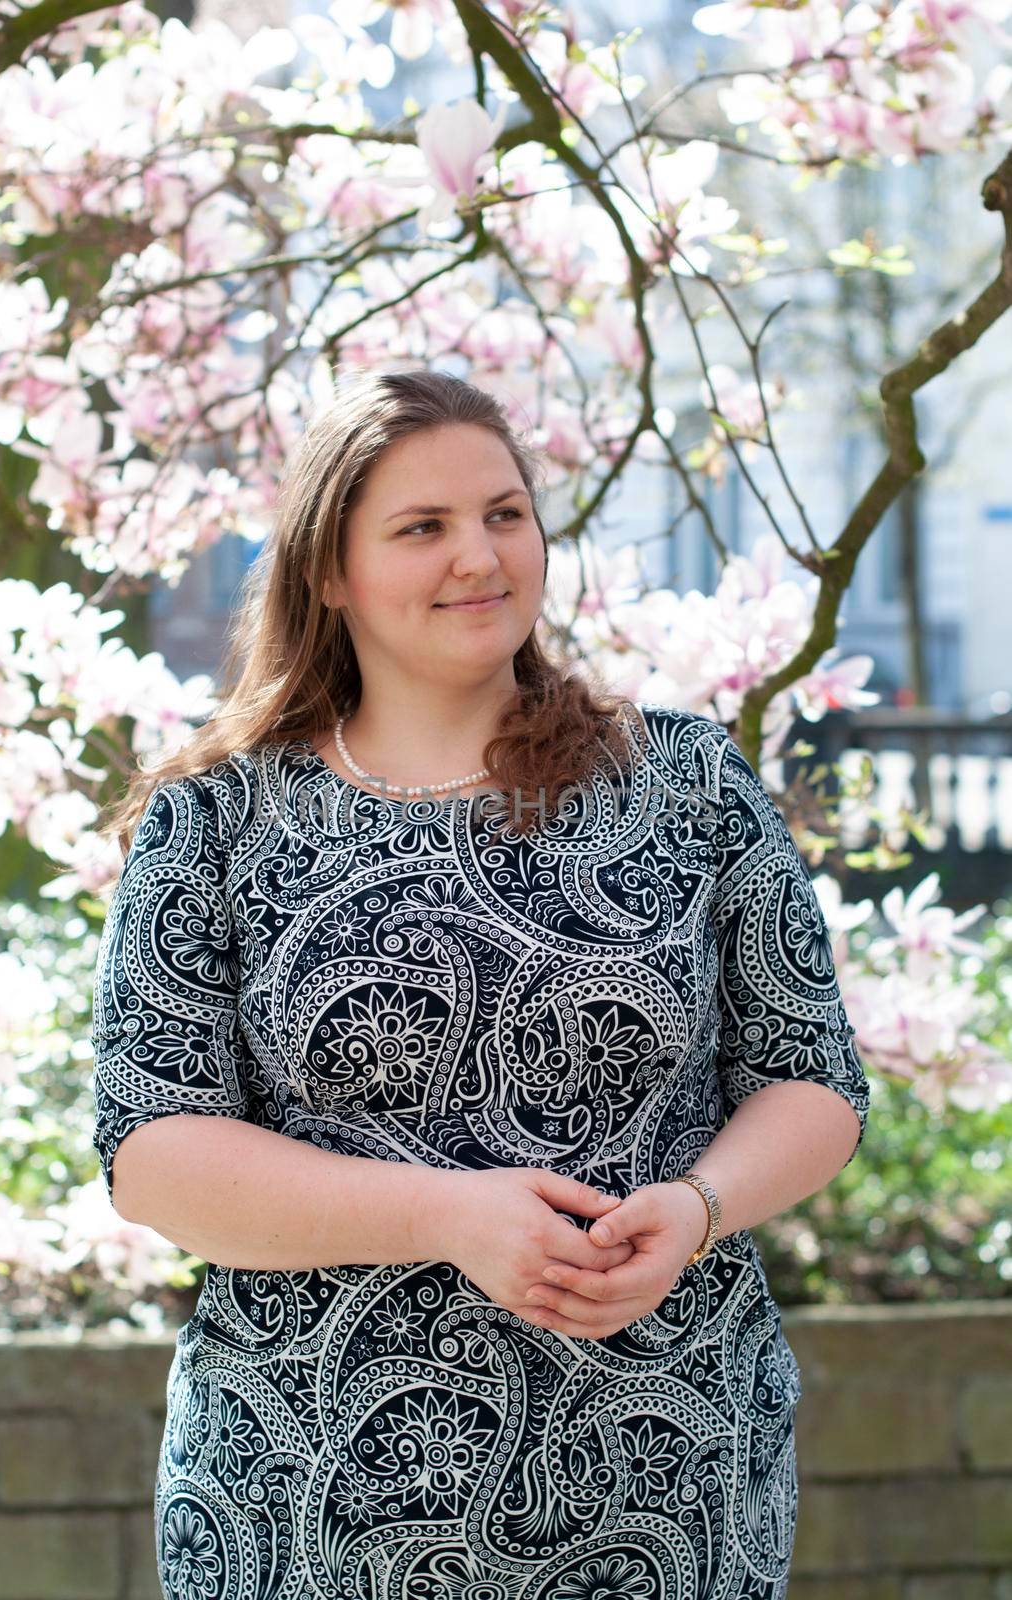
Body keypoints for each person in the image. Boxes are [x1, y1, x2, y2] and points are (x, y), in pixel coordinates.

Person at [91, 366, 870, 1600]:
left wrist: (698, 1206)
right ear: (328, 570)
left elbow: (813, 1080)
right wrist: (446, 1215)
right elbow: (154, 1155)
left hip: (670, 1485)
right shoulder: (215, 817)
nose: (481, 555)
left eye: (506, 513)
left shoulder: (682, 779)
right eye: (423, 527)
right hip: (306, 1505)